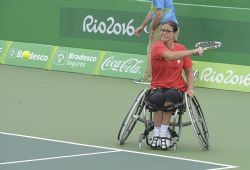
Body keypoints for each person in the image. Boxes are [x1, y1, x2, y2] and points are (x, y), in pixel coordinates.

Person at [147, 20, 204, 150]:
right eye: (162, 30)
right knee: (157, 99)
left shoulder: (181, 48)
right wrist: (193, 51)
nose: (164, 33)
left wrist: (190, 88)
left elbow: (189, 71)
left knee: (170, 97)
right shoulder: (157, 47)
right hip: (158, 86)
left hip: (176, 88)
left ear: (175, 33)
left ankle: (163, 133)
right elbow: (171, 56)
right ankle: (156, 134)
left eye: (168, 31)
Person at [134, 0, 179, 84]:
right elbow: (152, 11)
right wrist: (142, 26)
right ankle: (183, 76)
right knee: (171, 53)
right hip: (173, 26)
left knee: (152, 50)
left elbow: (159, 15)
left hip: (164, 27)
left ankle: (148, 77)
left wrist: (152, 28)